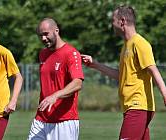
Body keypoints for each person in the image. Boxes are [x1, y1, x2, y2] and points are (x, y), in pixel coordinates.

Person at [82, 5, 166, 140]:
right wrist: (95, 65)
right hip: (133, 107)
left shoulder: (140, 43)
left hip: (138, 107)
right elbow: (121, 75)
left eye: (113, 21)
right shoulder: (126, 45)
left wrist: (165, 94)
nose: (112, 25)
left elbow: (153, 70)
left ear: (122, 21)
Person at [27, 18, 84, 140]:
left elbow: (78, 83)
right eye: (40, 35)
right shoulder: (42, 53)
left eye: (46, 34)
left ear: (56, 31)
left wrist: (55, 96)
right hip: (41, 119)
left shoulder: (71, 53)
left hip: (64, 120)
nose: (43, 38)